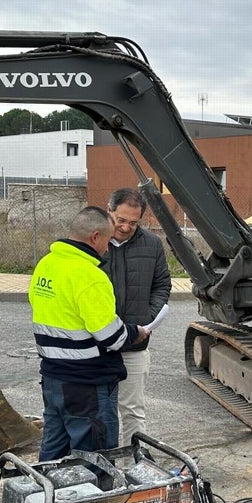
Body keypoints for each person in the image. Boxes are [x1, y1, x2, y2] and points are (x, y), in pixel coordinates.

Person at [29, 206, 148, 461]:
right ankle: (92, 499)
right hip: (87, 385)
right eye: (107, 240)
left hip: (53, 378)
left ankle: (47, 499)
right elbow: (110, 337)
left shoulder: (46, 265)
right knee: (96, 459)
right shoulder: (90, 276)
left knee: (52, 452)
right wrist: (135, 333)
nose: (108, 247)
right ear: (95, 237)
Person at [102, 188, 171, 446]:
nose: (126, 227)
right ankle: (101, 463)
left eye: (133, 222)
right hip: (96, 344)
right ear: (108, 211)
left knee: (132, 409)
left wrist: (148, 317)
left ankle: (136, 459)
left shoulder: (151, 244)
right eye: (121, 220)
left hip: (135, 343)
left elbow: (162, 284)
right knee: (99, 409)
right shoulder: (93, 241)